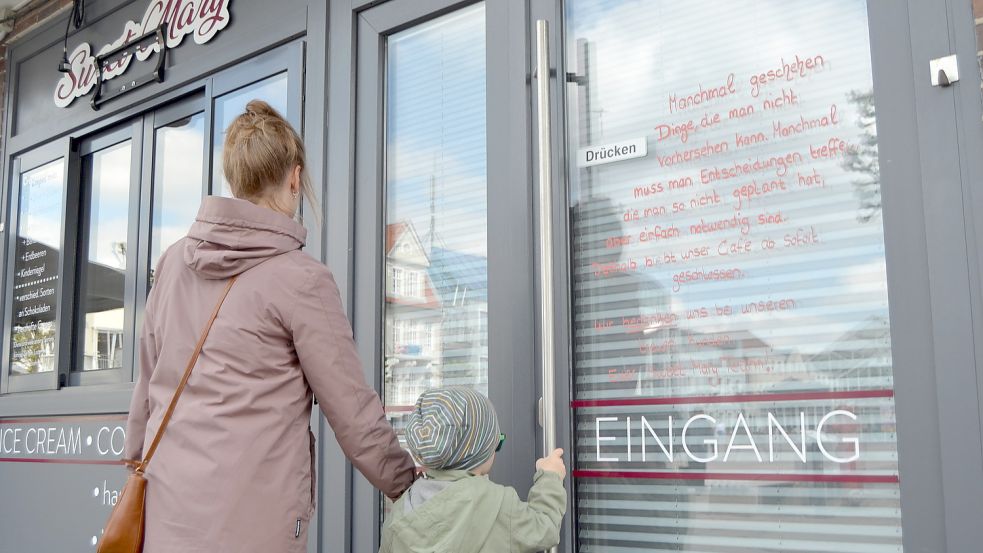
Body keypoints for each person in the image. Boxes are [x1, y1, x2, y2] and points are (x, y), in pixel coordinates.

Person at [123, 100, 416, 553]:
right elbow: (353, 414)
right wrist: (409, 486)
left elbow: (147, 379)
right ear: (294, 177)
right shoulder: (302, 279)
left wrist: (135, 459)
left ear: (235, 178)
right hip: (253, 526)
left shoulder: (173, 262)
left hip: (165, 512)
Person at [381, 387, 567, 553]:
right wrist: (550, 476)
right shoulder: (497, 504)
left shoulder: (400, 512)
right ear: (476, 453)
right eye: (496, 444)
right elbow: (544, 527)